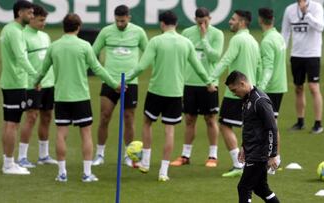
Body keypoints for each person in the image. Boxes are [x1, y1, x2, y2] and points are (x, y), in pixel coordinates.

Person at [126, 10, 216, 181]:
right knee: (170, 130)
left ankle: (145, 162)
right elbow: (198, 67)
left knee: (147, 123)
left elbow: (141, 66)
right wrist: (209, 83)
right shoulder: (186, 42)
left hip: (156, 91)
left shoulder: (156, 41)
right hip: (175, 93)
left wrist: (126, 80)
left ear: (162, 24)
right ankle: (163, 172)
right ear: (176, 24)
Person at [36, 13, 120, 182]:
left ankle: (62, 173)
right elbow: (98, 69)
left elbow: (43, 69)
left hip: (61, 97)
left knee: (61, 134)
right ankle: (87, 173)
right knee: (86, 134)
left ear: (63, 27)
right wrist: (114, 84)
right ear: (79, 27)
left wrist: (35, 82)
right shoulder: (84, 46)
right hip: (81, 97)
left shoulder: (54, 46)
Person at [91, 5, 148, 167]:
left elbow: (148, 53)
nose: (120, 24)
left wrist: (136, 71)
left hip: (130, 84)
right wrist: (105, 74)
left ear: (129, 18)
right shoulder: (106, 32)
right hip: (109, 82)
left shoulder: (139, 32)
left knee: (129, 119)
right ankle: (100, 154)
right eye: (117, 21)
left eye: (122, 21)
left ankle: (128, 156)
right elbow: (92, 53)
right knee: (104, 117)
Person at [170, 7, 224, 168]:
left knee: (210, 119)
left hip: (209, 84)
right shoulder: (187, 33)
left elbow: (214, 56)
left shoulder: (217, 34)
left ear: (210, 18)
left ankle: (213, 156)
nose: (202, 24)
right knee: (189, 119)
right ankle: (185, 155)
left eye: (205, 21)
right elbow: (183, 56)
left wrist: (203, 38)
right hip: (189, 83)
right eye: (199, 21)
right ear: (195, 19)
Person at [210, 10, 261, 177]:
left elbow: (226, 60)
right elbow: (259, 65)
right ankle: (254, 163)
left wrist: (211, 78)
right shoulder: (253, 40)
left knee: (225, 125)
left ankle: (238, 165)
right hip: (250, 91)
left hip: (235, 93)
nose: (230, 21)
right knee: (247, 128)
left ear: (242, 22)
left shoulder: (237, 39)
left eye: (233, 19)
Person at [225, 71, 280, 203]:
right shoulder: (247, 99)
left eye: (234, 90)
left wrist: (273, 154)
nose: (234, 94)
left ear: (242, 84)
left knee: (244, 187)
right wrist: (244, 146)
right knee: (261, 188)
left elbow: (272, 128)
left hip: (259, 153)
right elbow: (250, 127)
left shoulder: (259, 101)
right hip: (252, 150)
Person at [17, 4, 57, 169]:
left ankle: (43, 155)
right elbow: (22, 62)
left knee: (47, 117)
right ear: (31, 18)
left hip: (49, 83)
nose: (44, 23)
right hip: (32, 84)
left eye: (45, 20)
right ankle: (21, 157)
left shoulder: (45, 36)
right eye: (41, 20)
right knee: (31, 117)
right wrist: (35, 80)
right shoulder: (22, 36)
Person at [0, 0, 37, 175]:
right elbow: (21, 58)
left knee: (9, 123)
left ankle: (8, 161)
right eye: (29, 13)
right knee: (13, 124)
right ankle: (8, 164)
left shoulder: (9, 29)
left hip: (9, 82)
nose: (32, 16)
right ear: (20, 13)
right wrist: (36, 76)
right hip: (15, 83)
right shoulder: (15, 32)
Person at [281, 0, 324, 134]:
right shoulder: (289, 9)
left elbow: (320, 27)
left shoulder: (316, 8)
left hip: (312, 54)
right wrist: (282, 51)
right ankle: (300, 122)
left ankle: (318, 123)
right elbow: (285, 32)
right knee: (298, 88)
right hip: (296, 54)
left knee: (313, 87)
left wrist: (306, 13)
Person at [257, 8, 287, 174]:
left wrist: (260, 87)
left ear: (260, 20)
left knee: (270, 126)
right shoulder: (278, 37)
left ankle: (274, 161)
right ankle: (273, 159)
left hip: (271, 88)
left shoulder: (268, 41)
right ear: (273, 20)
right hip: (279, 85)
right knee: (270, 125)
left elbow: (268, 67)